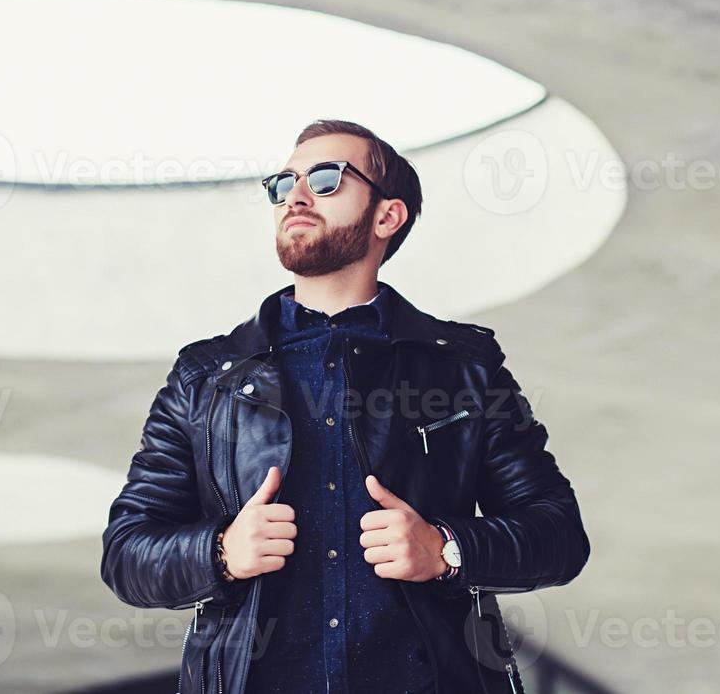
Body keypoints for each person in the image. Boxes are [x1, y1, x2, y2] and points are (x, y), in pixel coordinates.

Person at [101, 119, 590, 694]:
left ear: (387, 216)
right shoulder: (206, 376)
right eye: (283, 184)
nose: (297, 197)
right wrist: (220, 552)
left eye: (327, 179)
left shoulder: (463, 368)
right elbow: (127, 551)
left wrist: (444, 548)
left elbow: (558, 535)